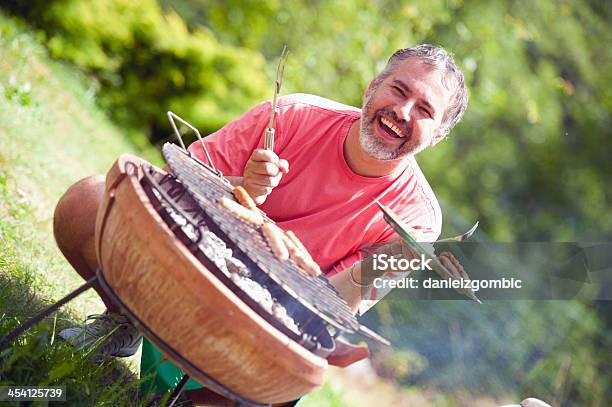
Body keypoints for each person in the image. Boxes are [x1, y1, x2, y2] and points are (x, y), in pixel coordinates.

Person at [53, 44, 468, 404]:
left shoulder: (418, 223)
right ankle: (126, 320)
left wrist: (370, 271)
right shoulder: (295, 115)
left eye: (426, 110)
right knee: (90, 200)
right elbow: (171, 183)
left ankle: (195, 389)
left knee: (290, 373)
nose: (403, 111)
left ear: (436, 137)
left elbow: (327, 313)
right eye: (399, 89)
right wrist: (241, 186)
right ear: (372, 88)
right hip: (191, 264)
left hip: (260, 324)